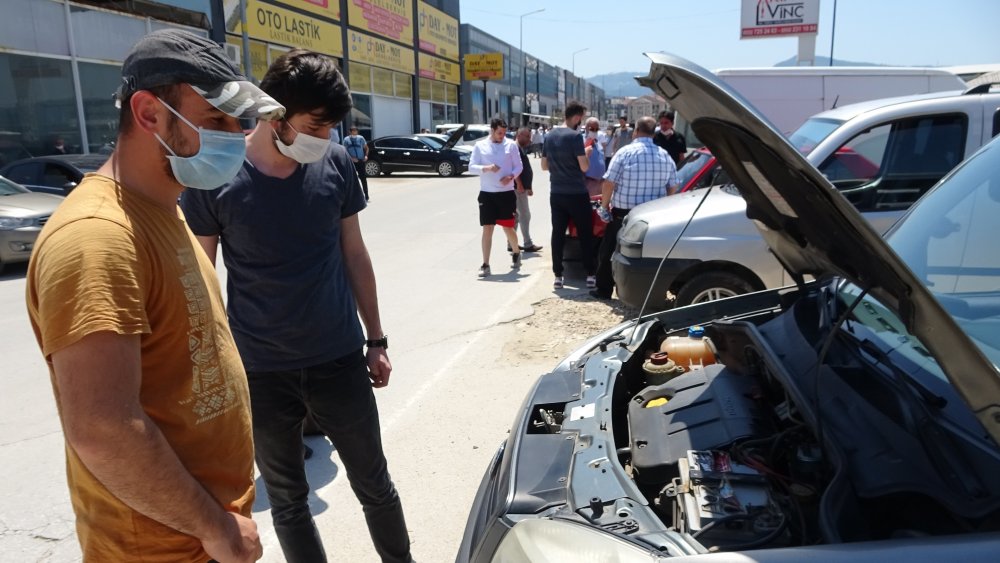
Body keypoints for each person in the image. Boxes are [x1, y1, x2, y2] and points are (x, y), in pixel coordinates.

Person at [25, 28, 285, 562]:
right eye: (215, 121)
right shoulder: (97, 236)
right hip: (162, 548)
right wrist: (214, 527)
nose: (233, 138)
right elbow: (102, 428)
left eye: (239, 124)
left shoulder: (165, 211)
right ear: (148, 114)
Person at [180, 50, 413, 563]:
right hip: (262, 372)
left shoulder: (334, 163)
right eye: (315, 126)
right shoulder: (218, 176)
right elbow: (201, 281)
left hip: (338, 359)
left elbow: (355, 254)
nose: (325, 138)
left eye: (331, 127)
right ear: (274, 115)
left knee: (375, 485)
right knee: (288, 502)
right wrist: (212, 368)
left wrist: (376, 340)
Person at [592, 116, 677, 299]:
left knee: (609, 250)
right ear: (654, 133)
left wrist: (605, 207)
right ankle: (650, 293)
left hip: (624, 214)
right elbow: (672, 186)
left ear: (635, 131)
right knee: (649, 253)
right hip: (653, 215)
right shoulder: (664, 155)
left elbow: (609, 183)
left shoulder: (624, 153)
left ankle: (604, 289)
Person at [542, 100, 595, 290]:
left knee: (557, 233)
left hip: (556, 192)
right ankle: (590, 273)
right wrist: (587, 153)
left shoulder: (549, 136)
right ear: (577, 117)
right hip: (577, 193)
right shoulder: (575, 137)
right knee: (585, 233)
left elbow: (544, 166)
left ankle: (558, 275)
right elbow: (584, 167)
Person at [468, 117, 523, 277]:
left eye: (504, 133)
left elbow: (519, 166)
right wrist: (487, 168)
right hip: (487, 194)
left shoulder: (511, 145)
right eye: (499, 132)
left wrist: (511, 176)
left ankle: (516, 251)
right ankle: (485, 264)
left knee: (508, 228)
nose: (502, 136)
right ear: (492, 130)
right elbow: (471, 167)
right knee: (488, 228)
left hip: (506, 193)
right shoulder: (480, 146)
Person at [513, 126, 543, 253]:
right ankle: (528, 243)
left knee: (516, 216)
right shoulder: (515, 148)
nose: (530, 140)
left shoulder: (520, 148)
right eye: (527, 137)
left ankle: (511, 242)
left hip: (520, 187)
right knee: (525, 215)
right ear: (519, 136)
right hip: (517, 188)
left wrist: (528, 187)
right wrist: (520, 184)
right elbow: (514, 168)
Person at [343, 125, 370, 200]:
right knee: (352, 179)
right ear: (350, 131)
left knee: (363, 178)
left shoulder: (361, 138)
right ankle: (354, 196)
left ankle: (366, 194)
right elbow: (344, 151)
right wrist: (351, 158)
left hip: (361, 161)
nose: (355, 132)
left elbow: (366, 148)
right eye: (353, 130)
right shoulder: (346, 139)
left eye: (356, 130)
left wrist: (366, 156)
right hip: (352, 162)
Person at [583, 116, 606, 197]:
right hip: (588, 182)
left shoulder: (597, 142)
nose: (595, 131)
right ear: (586, 128)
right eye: (592, 129)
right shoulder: (581, 141)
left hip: (600, 182)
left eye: (597, 129)